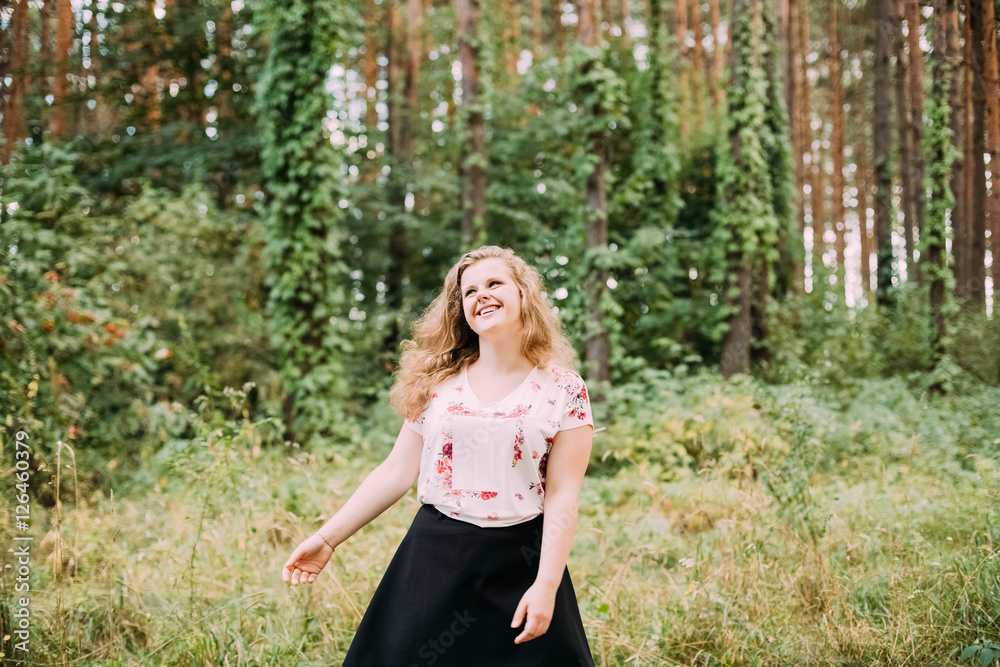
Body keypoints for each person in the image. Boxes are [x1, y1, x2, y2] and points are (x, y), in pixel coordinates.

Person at [281, 245, 597, 666]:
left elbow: (562, 496)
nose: (481, 295)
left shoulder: (564, 389)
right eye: (470, 291)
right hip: (436, 555)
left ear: (523, 294)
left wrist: (547, 584)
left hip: (522, 560)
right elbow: (395, 472)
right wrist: (326, 539)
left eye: (494, 283)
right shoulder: (438, 385)